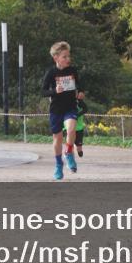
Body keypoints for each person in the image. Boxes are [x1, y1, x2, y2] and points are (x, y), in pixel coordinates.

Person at [42, 41, 80, 180]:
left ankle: (69, 152)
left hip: (70, 106)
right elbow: (43, 91)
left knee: (71, 129)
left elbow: (80, 85)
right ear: (56, 58)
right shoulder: (51, 72)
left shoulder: (73, 71)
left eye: (68, 56)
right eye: (64, 57)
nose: (68, 59)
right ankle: (58, 165)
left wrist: (81, 92)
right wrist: (54, 91)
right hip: (56, 109)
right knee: (57, 139)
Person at [68, 91, 88, 158]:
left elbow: (86, 109)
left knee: (79, 148)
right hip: (70, 127)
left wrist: (78, 115)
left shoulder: (79, 102)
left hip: (79, 128)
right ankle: (70, 156)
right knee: (70, 144)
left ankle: (79, 151)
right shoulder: (68, 102)